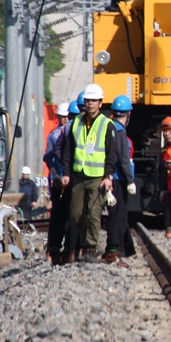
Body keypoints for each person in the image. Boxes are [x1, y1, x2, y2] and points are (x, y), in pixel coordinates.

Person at [61, 84, 119, 263]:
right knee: (75, 213)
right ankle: (88, 240)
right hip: (79, 176)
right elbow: (68, 150)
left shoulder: (107, 125)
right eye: (88, 100)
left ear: (100, 103)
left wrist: (108, 177)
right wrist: (66, 173)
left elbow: (112, 154)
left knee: (94, 213)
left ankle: (91, 247)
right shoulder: (76, 122)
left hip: (97, 177)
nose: (90, 103)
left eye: (94, 100)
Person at [101, 95, 137, 267]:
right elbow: (123, 158)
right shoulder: (120, 131)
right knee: (118, 217)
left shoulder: (108, 127)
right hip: (118, 180)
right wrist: (130, 180)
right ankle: (113, 253)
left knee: (114, 216)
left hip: (108, 179)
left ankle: (114, 249)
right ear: (128, 114)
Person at [46, 100, 80, 264]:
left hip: (58, 181)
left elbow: (49, 157)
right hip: (70, 181)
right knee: (72, 216)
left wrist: (55, 175)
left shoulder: (54, 134)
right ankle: (71, 250)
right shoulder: (75, 131)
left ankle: (54, 250)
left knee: (58, 216)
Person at [43, 102, 71, 263]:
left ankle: (67, 247)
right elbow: (48, 158)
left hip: (67, 179)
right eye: (63, 117)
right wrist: (55, 176)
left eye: (68, 116)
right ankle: (54, 248)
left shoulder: (71, 133)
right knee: (58, 215)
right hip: (57, 182)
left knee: (68, 215)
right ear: (59, 117)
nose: (65, 119)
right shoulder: (54, 136)